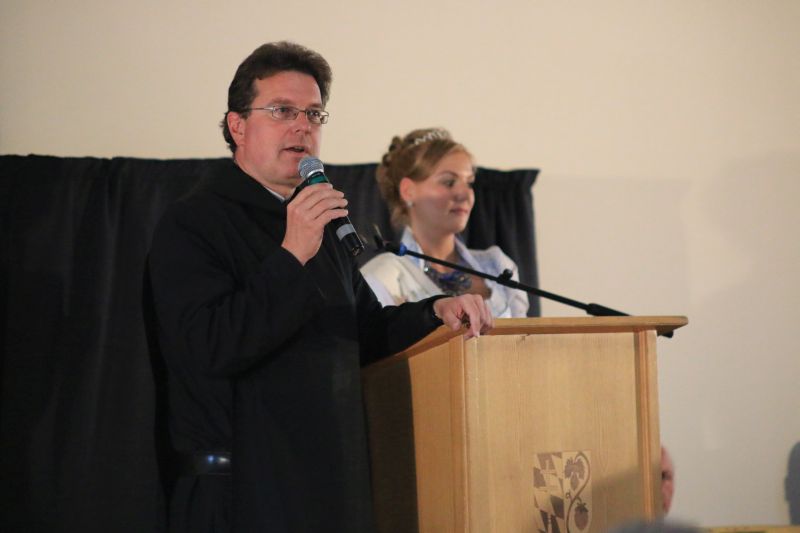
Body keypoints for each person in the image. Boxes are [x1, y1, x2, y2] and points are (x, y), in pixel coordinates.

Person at [147, 42, 492, 533]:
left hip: (329, 487)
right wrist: (292, 255)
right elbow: (210, 348)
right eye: (282, 110)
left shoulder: (319, 222)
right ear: (237, 126)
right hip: (242, 494)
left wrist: (434, 312)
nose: (302, 126)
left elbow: (365, 332)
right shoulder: (194, 222)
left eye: (313, 113)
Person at [361, 128, 529, 318]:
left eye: (469, 182)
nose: (465, 194)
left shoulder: (497, 266)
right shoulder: (385, 276)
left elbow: (523, 335)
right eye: (448, 182)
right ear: (408, 191)